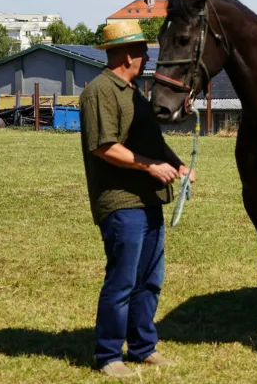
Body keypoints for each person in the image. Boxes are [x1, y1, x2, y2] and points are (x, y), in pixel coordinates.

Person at [79, 22, 195, 378]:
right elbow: (104, 146)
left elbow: (150, 140)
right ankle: (109, 355)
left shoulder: (133, 92)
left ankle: (143, 347)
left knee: (149, 279)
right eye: (144, 51)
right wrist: (150, 167)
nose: (147, 58)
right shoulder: (101, 91)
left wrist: (177, 164)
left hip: (148, 201)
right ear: (128, 53)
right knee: (122, 282)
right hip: (120, 202)